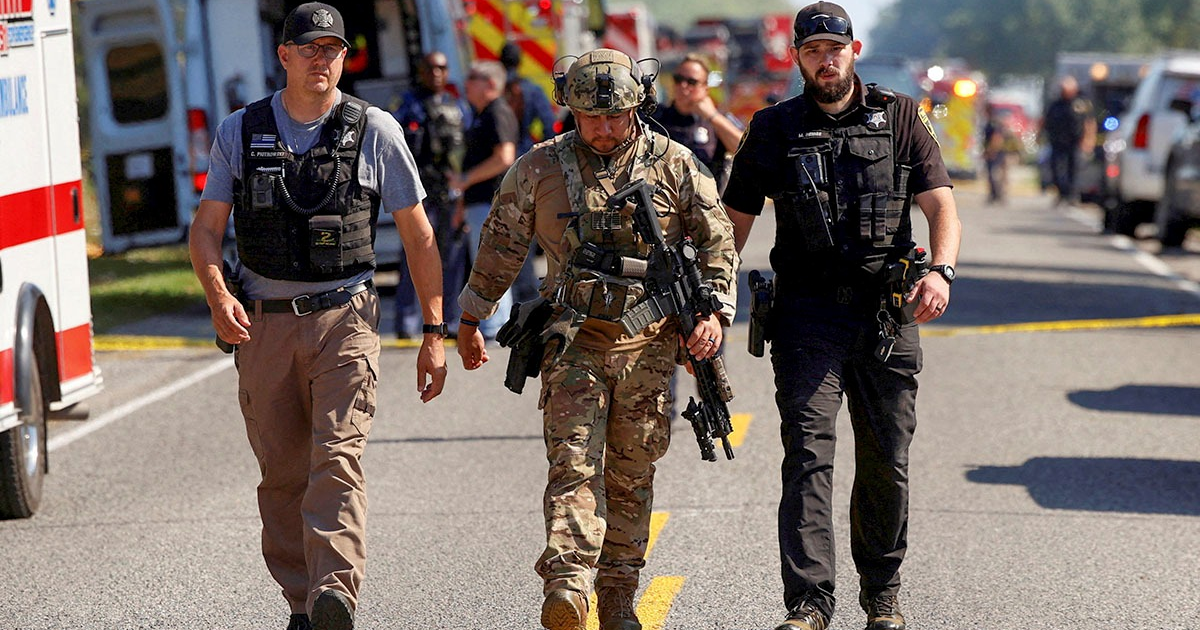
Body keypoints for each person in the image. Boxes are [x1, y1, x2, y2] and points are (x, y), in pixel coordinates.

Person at [456, 48, 738, 630]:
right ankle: (568, 583)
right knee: (573, 465)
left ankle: (617, 598)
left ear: (638, 107)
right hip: (574, 343)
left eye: (616, 117)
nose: (604, 129)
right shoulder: (538, 169)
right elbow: (501, 245)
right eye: (591, 118)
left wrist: (714, 314)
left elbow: (717, 244)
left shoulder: (676, 164)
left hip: (650, 351)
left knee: (630, 477)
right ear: (571, 112)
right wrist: (469, 319)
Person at [188, 4, 448, 630]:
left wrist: (435, 332)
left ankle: (335, 593)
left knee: (336, 456)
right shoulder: (240, 131)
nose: (322, 59)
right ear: (284, 55)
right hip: (263, 321)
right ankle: (302, 602)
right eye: (310, 48)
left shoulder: (375, 129)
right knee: (282, 472)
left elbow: (419, 237)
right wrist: (219, 296)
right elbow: (205, 230)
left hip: (346, 319)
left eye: (333, 49)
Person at [721, 3, 962, 630]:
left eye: (835, 48)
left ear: (854, 50)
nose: (825, 60)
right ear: (796, 58)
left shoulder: (902, 115)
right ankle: (809, 604)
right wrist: (713, 298)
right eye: (812, 50)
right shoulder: (773, 128)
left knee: (886, 457)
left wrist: (940, 270)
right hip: (806, 318)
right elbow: (733, 225)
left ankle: (882, 593)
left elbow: (941, 206)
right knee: (807, 453)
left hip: (887, 315)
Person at [392, 51, 469, 338]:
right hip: (417, 192)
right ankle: (407, 322)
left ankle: (448, 319)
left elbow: (466, 149)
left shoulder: (457, 106)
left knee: (450, 258)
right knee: (414, 253)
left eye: (442, 68)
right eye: (431, 68)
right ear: (421, 71)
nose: (437, 73)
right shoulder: (408, 105)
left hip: (447, 191)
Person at [451, 60, 519, 340]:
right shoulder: (482, 113)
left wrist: (466, 179)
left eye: (473, 78)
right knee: (487, 263)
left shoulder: (496, 112)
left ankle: (495, 326)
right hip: (479, 204)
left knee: (490, 265)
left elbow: (505, 157)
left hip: (492, 203)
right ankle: (496, 323)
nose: (467, 83)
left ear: (491, 83)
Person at [650, 54, 743, 193]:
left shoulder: (718, 121)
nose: (683, 86)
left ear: (706, 88)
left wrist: (712, 116)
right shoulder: (655, 117)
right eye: (678, 79)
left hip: (705, 205)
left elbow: (744, 149)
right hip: (663, 204)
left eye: (691, 82)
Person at [1041, 75, 1096, 206]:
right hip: (1057, 142)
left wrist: (1088, 139)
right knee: (1056, 169)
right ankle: (1061, 193)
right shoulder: (1055, 104)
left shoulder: (1081, 104)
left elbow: (1089, 122)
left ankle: (1071, 195)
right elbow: (1045, 121)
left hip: (1074, 142)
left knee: (1073, 169)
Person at [500, 41, 559, 155]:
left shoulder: (491, 89)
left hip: (492, 158)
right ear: (520, 62)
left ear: (500, 60)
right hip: (521, 152)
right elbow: (549, 124)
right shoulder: (532, 89)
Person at [982, 103, 1013, 204]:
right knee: (993, 175)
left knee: (995, 175)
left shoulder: (993, 123)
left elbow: (997, 138)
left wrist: (991, 151)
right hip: (995, 152)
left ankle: (997, 194)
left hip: (995, 152)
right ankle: (994, 194)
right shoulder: (992, 122)